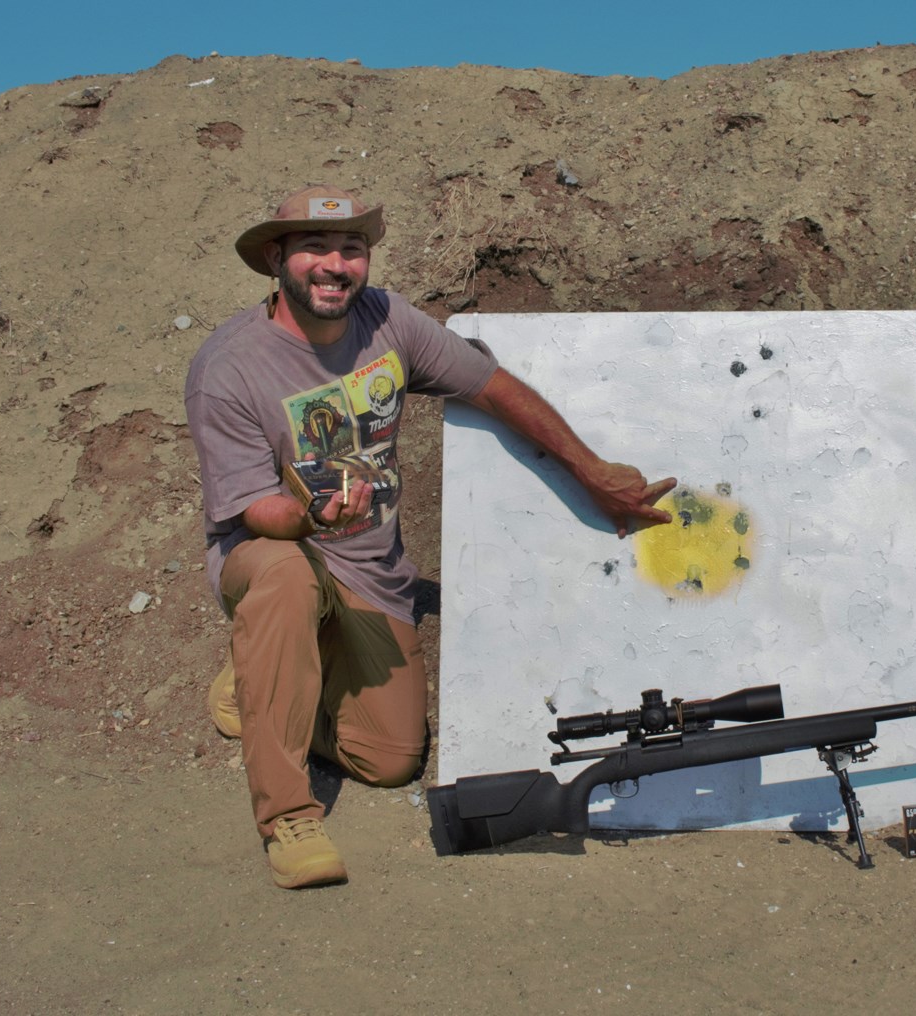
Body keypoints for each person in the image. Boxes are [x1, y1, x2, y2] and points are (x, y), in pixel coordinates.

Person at [184, 186, 675, 888]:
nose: (335, 265)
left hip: (370, 573)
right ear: (276, 258)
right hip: (274, 551)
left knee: (391, 760)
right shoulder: (227, 368)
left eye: (351, 250)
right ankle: (288, 817)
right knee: (284, 577)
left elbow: (490, 386)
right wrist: (314, 515)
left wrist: (589, 469)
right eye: (316, 249)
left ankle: (264, 685)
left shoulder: (388, 321)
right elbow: (255, 511)